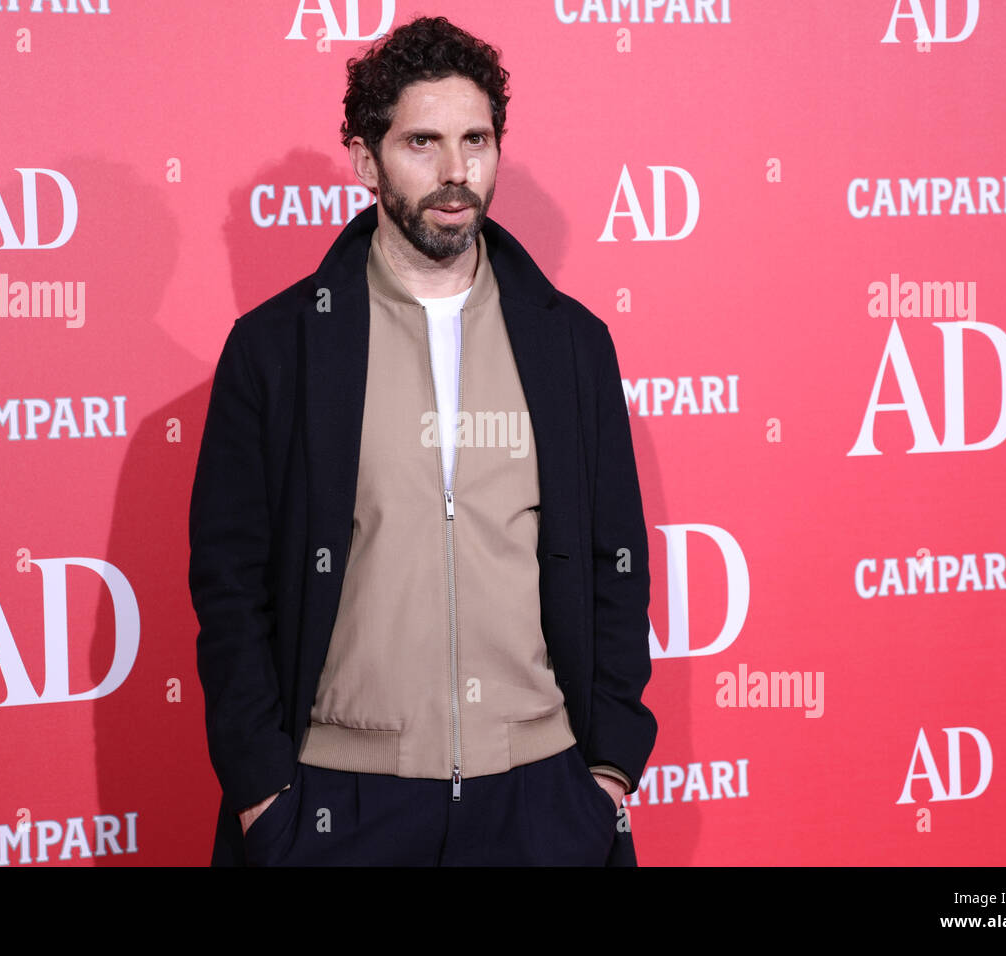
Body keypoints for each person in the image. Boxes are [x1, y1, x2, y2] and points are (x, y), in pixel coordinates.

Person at [189, 15, 656, 866]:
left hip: (542, 793)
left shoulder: (571, 344)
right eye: (423, 142)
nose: (455, 172)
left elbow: (614, 562)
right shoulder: (277, 347)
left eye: (476, 139)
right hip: (340, 801)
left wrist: (609, 775)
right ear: (367, 160)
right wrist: (264, 794)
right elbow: (230, 587)